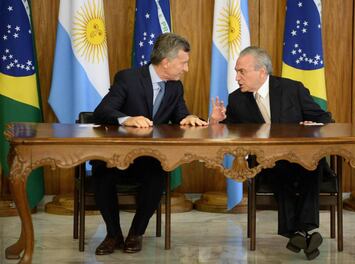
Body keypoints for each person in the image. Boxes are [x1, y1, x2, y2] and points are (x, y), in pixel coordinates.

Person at [210, 46, 332, 260]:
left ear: (262, 72)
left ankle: (296, 232)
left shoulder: (292, 89)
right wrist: (216, 121)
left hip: (302, 158)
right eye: (236, 72)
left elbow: (324, 118)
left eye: (242, 72)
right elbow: (226, 134)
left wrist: (313, 124)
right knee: (279, 168)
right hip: (268, 163)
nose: (237, 77)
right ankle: (306, 233)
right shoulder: (237, 99)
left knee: (312, 165)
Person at [92, 33, 207, 255]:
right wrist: (127, 119)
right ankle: (113, 234)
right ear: (166, 62)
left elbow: (180, 113)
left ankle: (136, 233)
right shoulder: (128, 78)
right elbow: (102, 111)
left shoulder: (175, 87)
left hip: (150, 159)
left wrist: (189, 117)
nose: (186, 69)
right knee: (100, 172)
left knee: (158, 175)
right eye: (183, 63)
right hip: (117, 156)